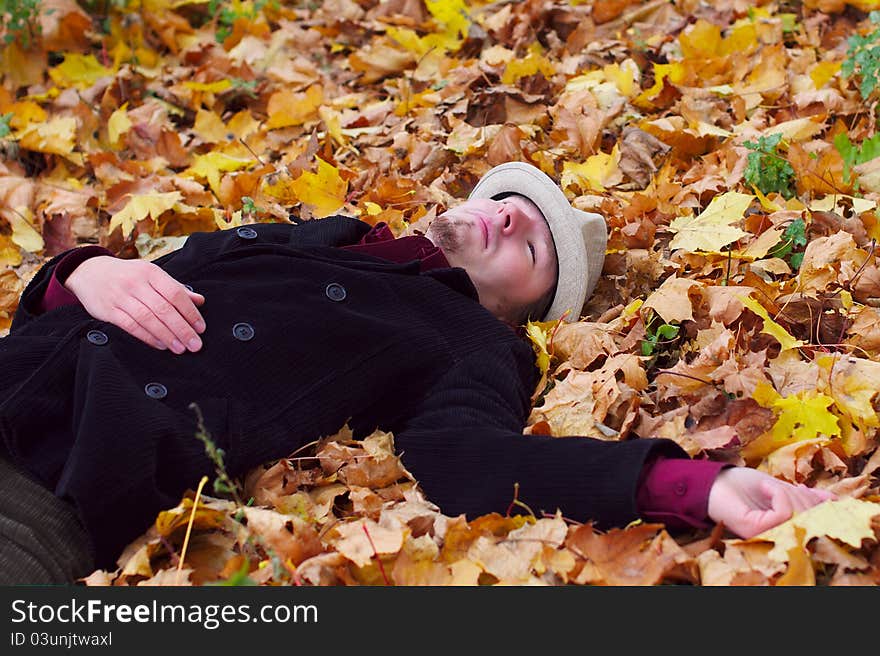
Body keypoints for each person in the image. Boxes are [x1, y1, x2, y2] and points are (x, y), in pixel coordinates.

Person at [0, 162, 832, 585]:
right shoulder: (333, 235)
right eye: (512, 201)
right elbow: (158, 271)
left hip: (53, 476)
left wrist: (692, 487)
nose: (507, 215)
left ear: (525, 311)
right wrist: (74, 272)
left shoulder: (472, 343)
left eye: (531, 246)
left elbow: (466, 457)